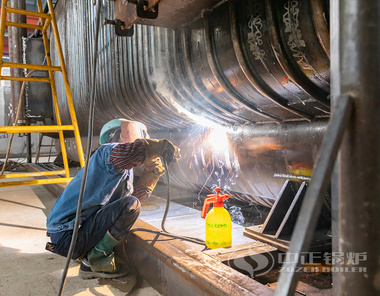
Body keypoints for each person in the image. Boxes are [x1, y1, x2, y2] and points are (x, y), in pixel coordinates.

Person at [46, 118, 180, 279]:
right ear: (118, 135)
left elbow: (125, 203)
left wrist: (151, 176)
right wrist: (155, 147)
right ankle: (95, 260)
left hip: (65, 235)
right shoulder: (107, 151)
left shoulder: (119, 171)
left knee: (130, 203)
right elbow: (127, 154)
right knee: (132, 205)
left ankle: (88, 252)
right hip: (69, 235)